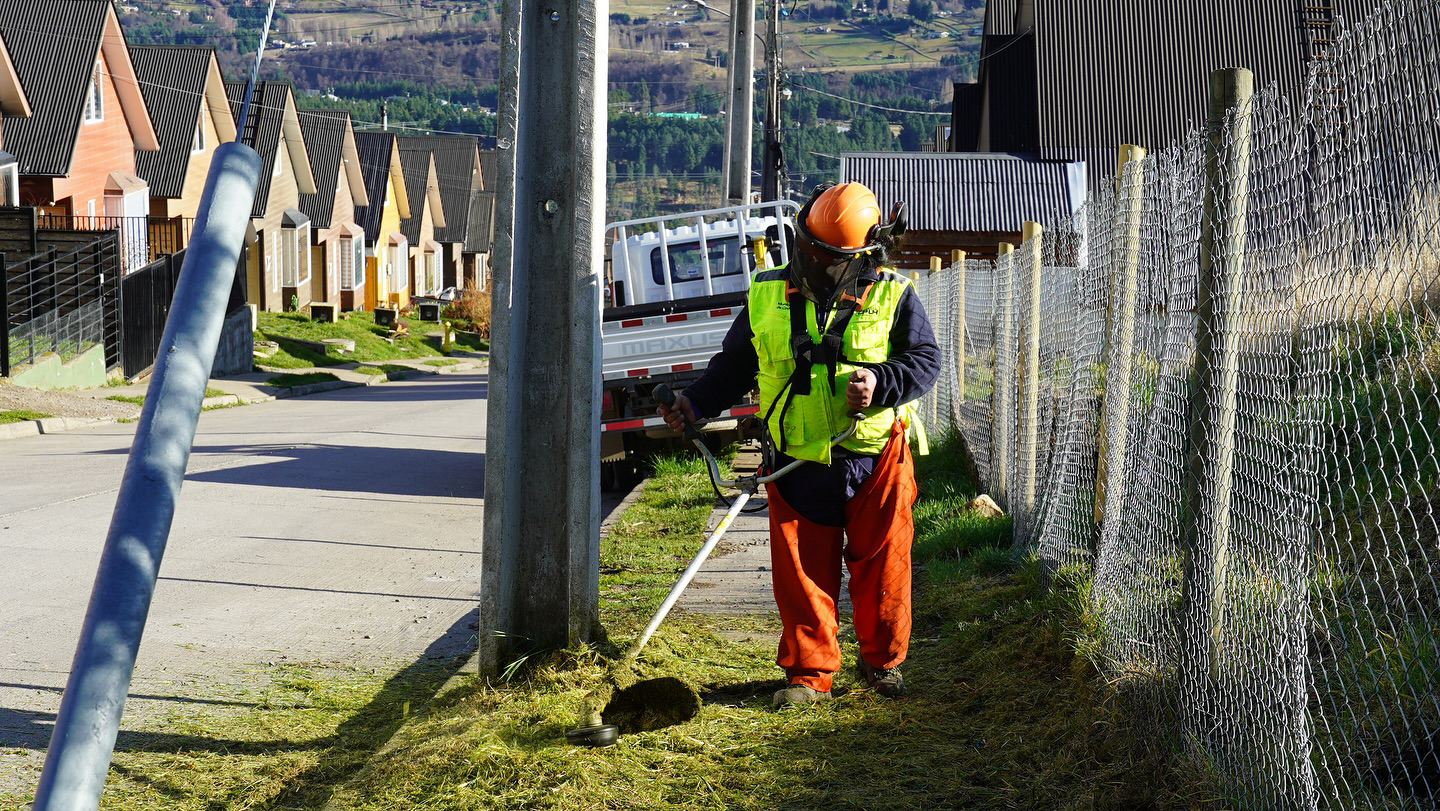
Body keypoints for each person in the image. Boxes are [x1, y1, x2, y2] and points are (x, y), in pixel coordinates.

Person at [657, 182, 940, 709]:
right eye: (806, 248)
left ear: (858, 257)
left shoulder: (894, 296)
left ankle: (882, 664)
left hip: (872, 457)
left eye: (823, 256)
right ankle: (810, 675)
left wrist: (880, 384)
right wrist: (693, 404)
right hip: (793, 462)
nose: (810, 261)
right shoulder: (767, 294)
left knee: (884, 567)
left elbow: (924, 363)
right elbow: (734, 366)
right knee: (801, 575)